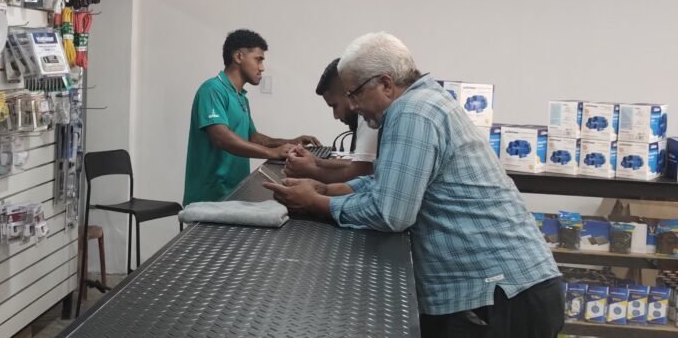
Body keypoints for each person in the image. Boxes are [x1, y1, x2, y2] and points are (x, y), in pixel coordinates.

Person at [264, 33, 563, 338]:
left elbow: (392, 213)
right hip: (501, 292)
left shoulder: (412, 111)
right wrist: (328, 190)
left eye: (355, 94)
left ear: (386, 84)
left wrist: (315, 203)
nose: (352, 105)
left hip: (500, 297)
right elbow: (393, 182)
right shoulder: (424, 101)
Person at [184, 29, 320, 206]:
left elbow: (253, 137)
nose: (262, 67)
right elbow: (221, 137)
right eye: (258, 59)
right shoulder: (212, 90)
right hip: (209, 199)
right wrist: (272, 153)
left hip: (234, 193)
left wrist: (289, 142)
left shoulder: (240, 97)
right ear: (238, 57)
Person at [283, 58, 377, 183]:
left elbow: (360, 172)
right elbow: (359, 163)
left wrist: (311, 171)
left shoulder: (369, 115)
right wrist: (317, 161)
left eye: (334, 106)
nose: (335, 116)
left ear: (349, 92)